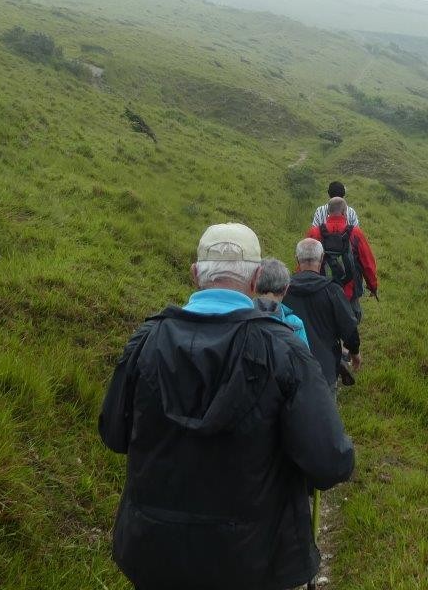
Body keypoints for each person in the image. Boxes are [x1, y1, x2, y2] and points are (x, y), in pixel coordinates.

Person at [98, 223, 354, 590]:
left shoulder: (146, 341)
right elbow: (330, 462)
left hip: (154, 555)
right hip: (254, 562)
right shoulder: (285, 351)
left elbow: (113, 434)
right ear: (256, 280)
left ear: (194, 275)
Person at [284, 238, 361, 390]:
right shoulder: (332, 290)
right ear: (322, 258)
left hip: (289, 367)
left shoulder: (282, 289)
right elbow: (349, 327)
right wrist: (355, 353)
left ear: (297, 259)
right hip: (324, 371)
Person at [307, 196, 379, 322]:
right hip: (349, 291)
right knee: (351, 326)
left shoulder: (315, 233)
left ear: (328, 212)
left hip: (321, 290)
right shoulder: (356, 233)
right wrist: (372, 286)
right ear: (345, 212)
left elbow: (304, 260)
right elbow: (367, 263)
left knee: (324, 325)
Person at [253, 257, 309, 347]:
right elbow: (304, 359)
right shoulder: (295, 323)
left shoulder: (241, 316)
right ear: (286, 289)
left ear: (254, 285)